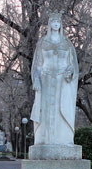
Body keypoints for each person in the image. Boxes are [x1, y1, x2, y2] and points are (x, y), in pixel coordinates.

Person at [30, 11, 78, 145]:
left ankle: (64, 141)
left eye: (58, 22)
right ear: (49, 24)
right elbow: (37, 66)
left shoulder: (67, 43)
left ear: (60, 24)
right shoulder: (42, 43)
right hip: (45, 81)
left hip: (62, 82)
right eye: (53, 22)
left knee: (61, 111)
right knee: (44, 112)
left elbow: (73, 64)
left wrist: (70, 71)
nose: (56, 24)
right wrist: (37, 79)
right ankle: (43, 141)